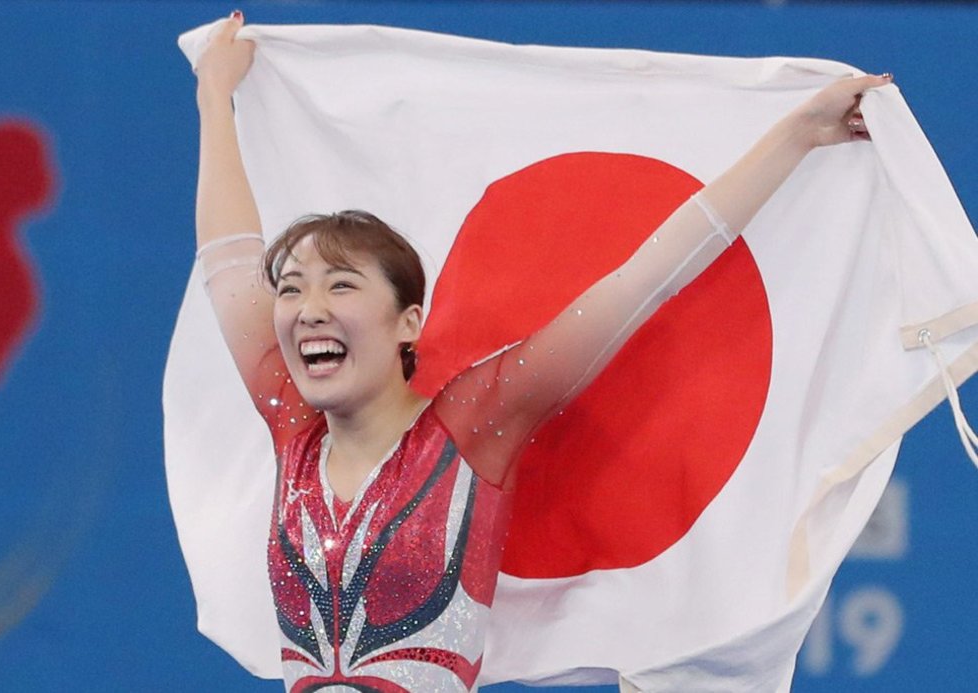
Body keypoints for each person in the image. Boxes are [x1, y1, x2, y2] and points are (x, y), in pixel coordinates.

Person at [193, 12, 890, 691]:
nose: (308, 306)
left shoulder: (469, 428)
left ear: (408, 322)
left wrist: (797, 135)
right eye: (292, 287)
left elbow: (643, 279)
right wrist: (215, 96)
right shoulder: (291, 421)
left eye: (340, 284)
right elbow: (226, 259)